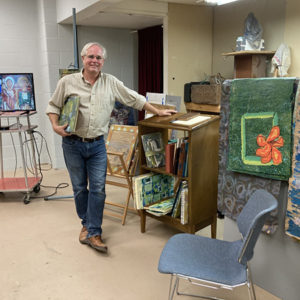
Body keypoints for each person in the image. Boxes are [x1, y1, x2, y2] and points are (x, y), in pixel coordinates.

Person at [46, 42, 176, 254]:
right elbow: (53, 106)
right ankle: (86, 224)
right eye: (91, 57)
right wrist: (54, 126)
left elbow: (134, 98)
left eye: (98, 58)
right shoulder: (67, 82)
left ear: (103, 61)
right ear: (83, 59)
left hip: (97, 144)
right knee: (80, 188)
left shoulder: (111, 82)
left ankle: (94, 231)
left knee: (98, 188)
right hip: (72, 144)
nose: (94, 61)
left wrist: (157, 111)